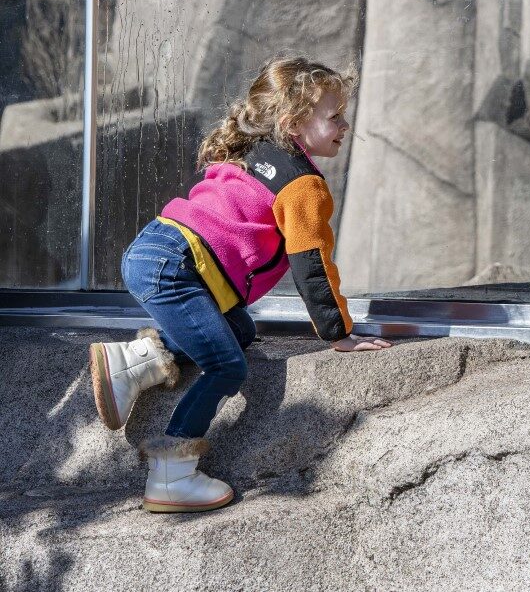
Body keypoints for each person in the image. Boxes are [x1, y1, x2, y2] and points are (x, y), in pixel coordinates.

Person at [88, 55, 390, 513]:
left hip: (158, 249)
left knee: (241, 332)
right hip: (179, 268)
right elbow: (312, 262)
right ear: (293, 123)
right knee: (228, 367)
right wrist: (339, 333)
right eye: (334, 116)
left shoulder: (256, 152)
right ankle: (171, 473)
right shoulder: (303, 186)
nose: (345, 124)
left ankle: (135, 361)